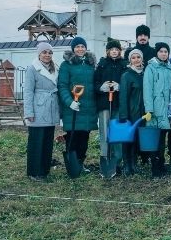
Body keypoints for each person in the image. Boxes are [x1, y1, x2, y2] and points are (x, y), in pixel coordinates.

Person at [58, 36, 98, 172]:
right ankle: (72, 164)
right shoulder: (66, 65)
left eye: (82, 47)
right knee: (73, 138)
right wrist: (69, 102)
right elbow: (62, 85)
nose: (80, 49)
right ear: (73, 49)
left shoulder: (90, 64)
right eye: (77, 47)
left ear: (86, 48)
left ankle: (80, 163)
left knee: (84, 138)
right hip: (73, 109)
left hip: (88, 108)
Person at [23, 42, 60, 181]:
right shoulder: (32, 69)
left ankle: (44, 170)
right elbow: (28, 92)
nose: (47, 55)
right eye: (44, 52)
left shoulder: (55, 68)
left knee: (47, 141)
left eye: (50, 53)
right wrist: (29, 113)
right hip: (38, 108)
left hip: (51, 108)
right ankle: (34, 172)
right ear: (39, 54)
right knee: (36, 141)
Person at [94, 39, 126, 178]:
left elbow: (127, 82)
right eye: (112, 49)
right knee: (105, 133)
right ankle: (105, 159)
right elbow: (94, 83)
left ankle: (117, 161)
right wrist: (101, 87)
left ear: (120, 51)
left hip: (118, 103)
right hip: (105, 104)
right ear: (108, 51)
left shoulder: (124, 65)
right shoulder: (102, 65)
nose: (114, 51)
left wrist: (120, 86)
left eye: (116, 49)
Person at [143, 42, 171, 176]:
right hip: (155, 109)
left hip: (167, 108)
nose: (163, 54)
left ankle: (161, 164)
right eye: (161, 51)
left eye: (166, 51)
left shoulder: (170, 69)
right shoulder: (151, 68)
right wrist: (149, 109)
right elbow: (147, 89)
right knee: (155, 139)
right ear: (157, 53)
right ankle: (155, 167)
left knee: (163, 137)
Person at [118, 49, 146, 176]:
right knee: (127, 140)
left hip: (142, 113)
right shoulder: (127, 75)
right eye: (133, 58)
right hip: (130, 113)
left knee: (136, 140)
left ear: (141, 59)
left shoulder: (144, 74)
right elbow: (123, 97)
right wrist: (124, 115)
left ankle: (134, 163)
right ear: (130, 60)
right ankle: (127, 165)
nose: (136, 60)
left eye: (138, 57)